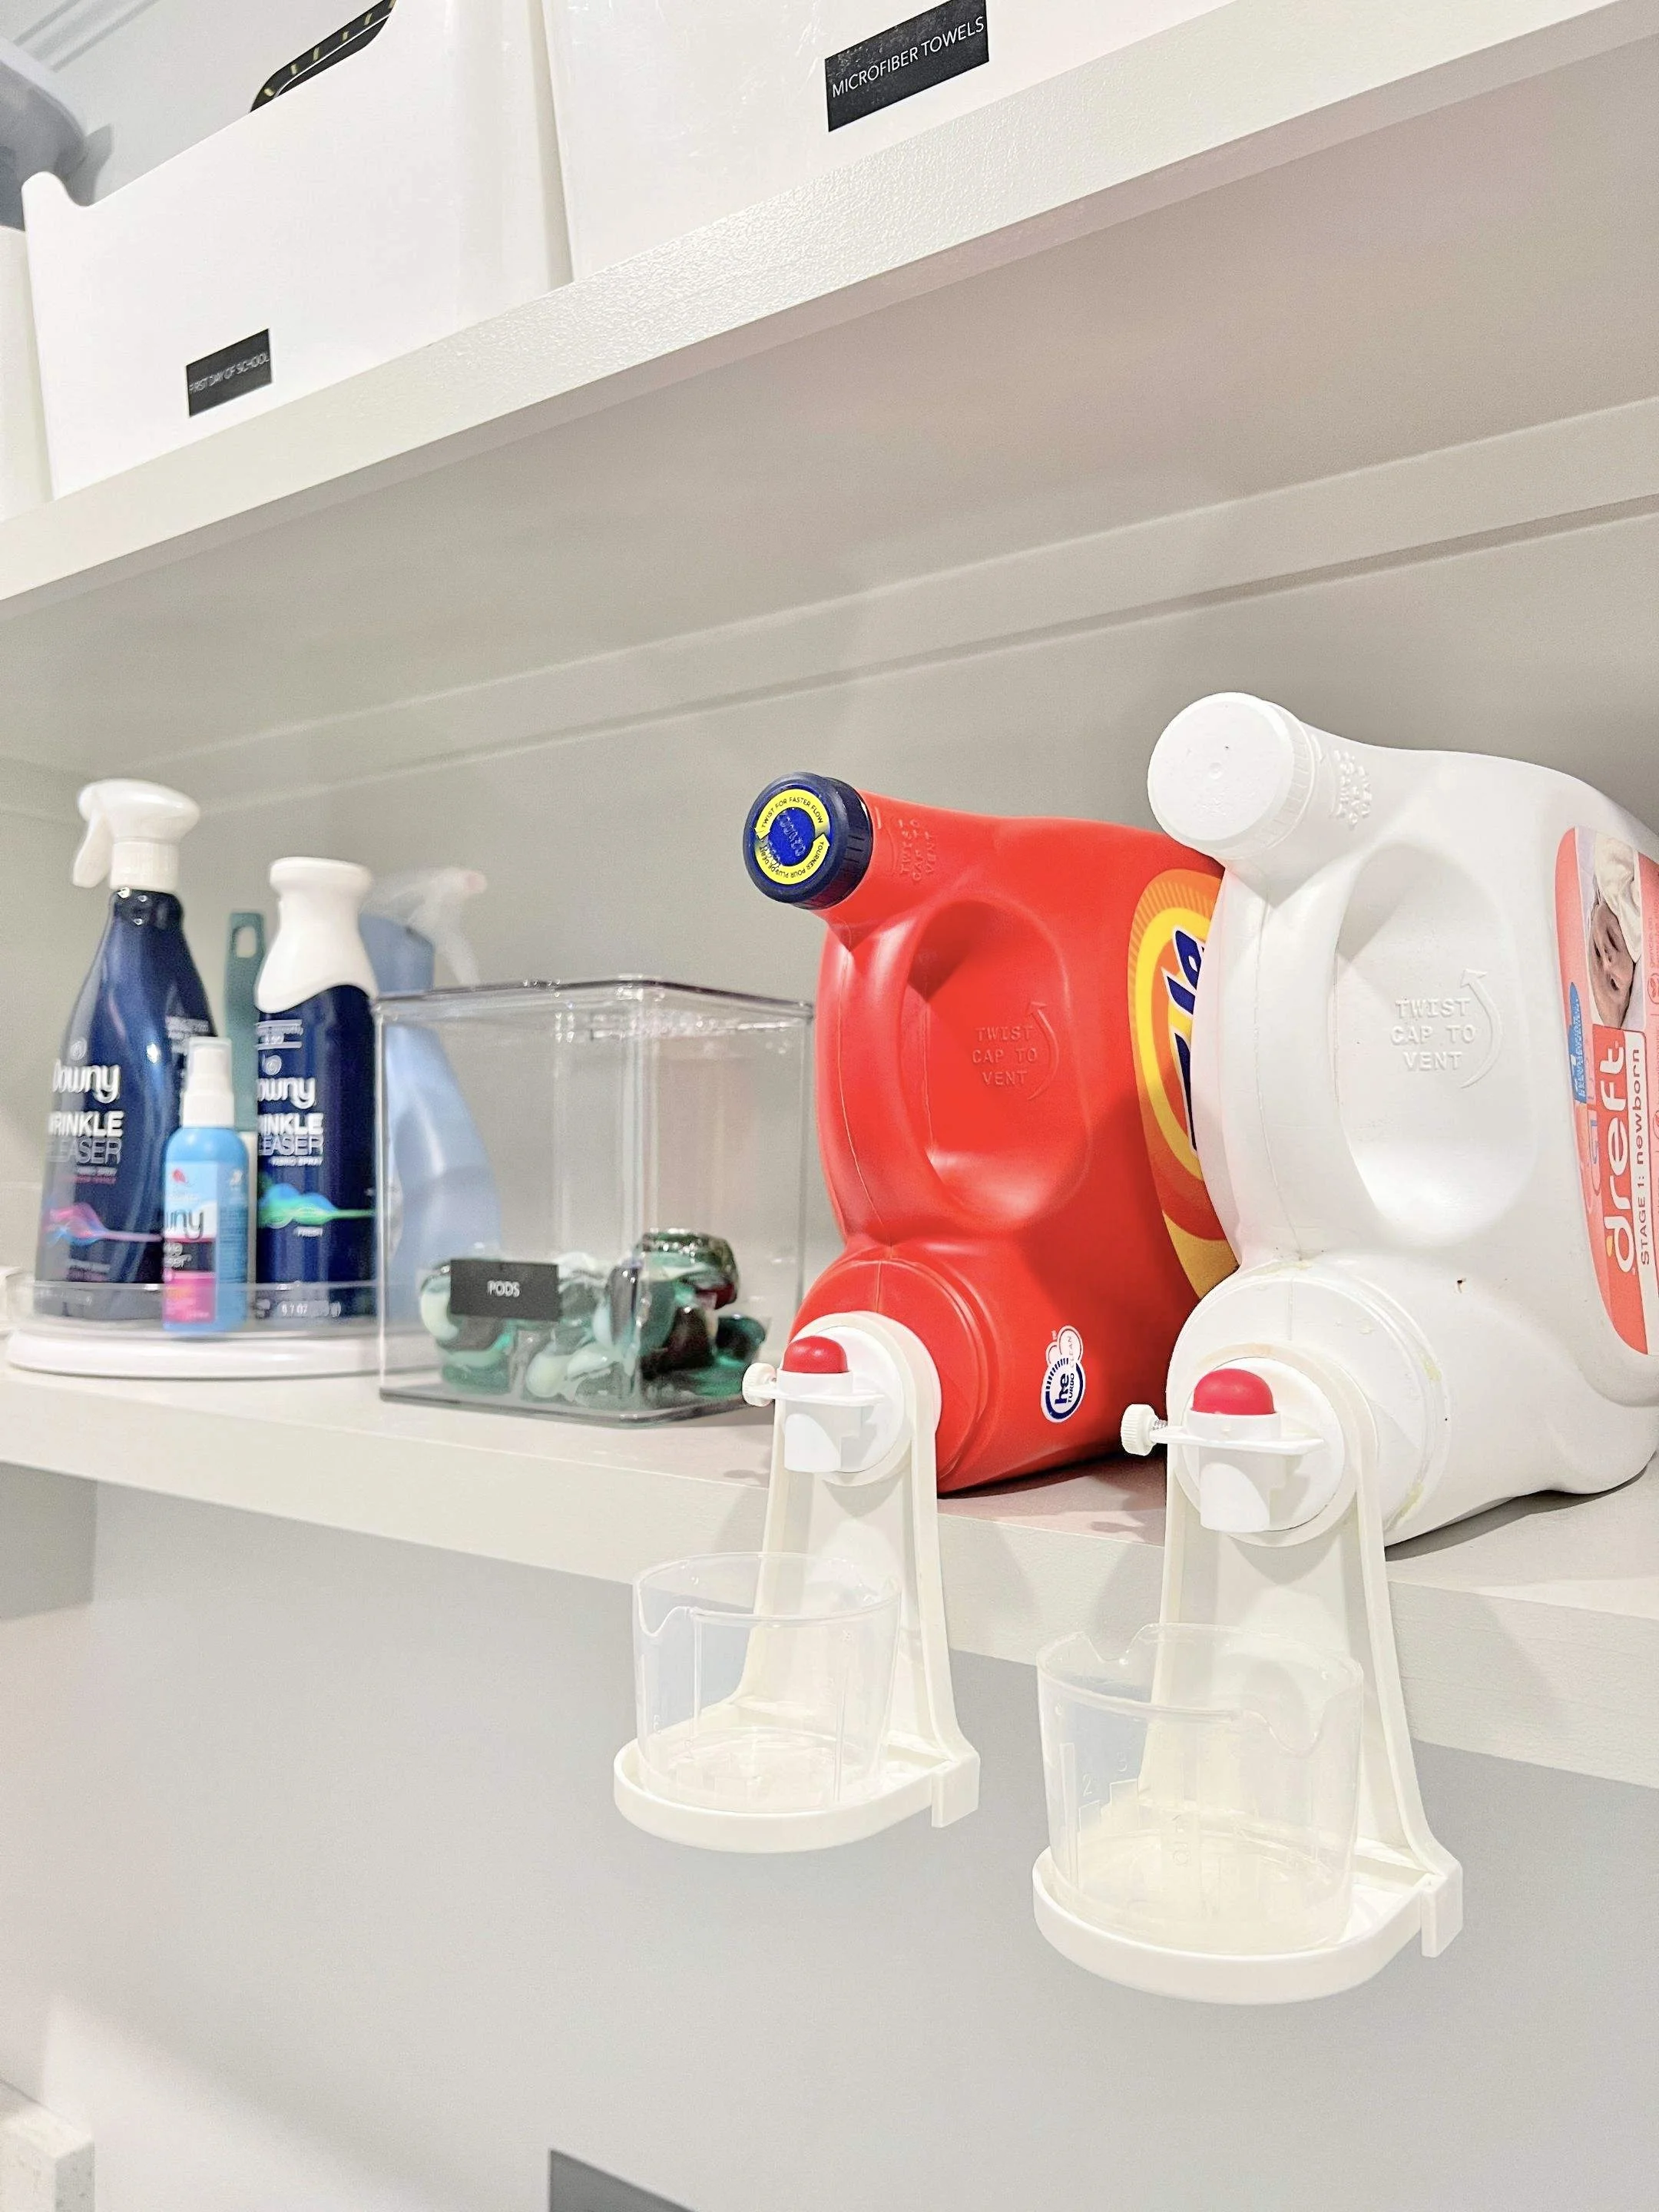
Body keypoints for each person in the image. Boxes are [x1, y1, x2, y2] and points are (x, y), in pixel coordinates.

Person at [1588, 835, 1642, 1028]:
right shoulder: (1634, 930)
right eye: (1613, 983)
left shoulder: (1602, 893)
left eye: (1596, 952)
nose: (1608, 960)